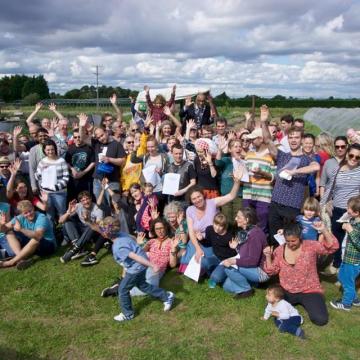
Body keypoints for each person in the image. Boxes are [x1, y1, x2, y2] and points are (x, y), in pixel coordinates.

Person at [260, 105, 320, 243]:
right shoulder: (282, 155)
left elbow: (316, 166)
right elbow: (268, 140)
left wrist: (295, 171)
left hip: (292, 206)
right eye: (291, 137)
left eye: (296, 137)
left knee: (290, 239)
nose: (293, 140)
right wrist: (263, 122)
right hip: (275, 203)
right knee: (275, 238)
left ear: (301, 139)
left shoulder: (306, 159)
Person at [97, 217, 175, 322]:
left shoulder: (118, 246)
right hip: (141, 267)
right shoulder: (121, 234)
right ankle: (167, 296)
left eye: (102, 231)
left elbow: (135, 257)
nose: (101, 233)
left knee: (123, 290)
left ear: (105, 234)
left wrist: (152, 265)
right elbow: (133, 238)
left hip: (135, 269)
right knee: (143, 286)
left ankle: (128, 314)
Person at [263, 222, 339, 326]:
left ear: (300, 237)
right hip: (286, 289)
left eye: (293, 241)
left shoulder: (311, 246)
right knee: (272, 306)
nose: (290, 244)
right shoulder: (279, 250)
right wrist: (268, 256)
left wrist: (324, 230)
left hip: (309, 289)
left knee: (320, 320)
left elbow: (332, 247)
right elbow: (272, 271)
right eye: (287, 241)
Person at [184, 166, 244, 271]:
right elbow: (191, 232)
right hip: (196, 240)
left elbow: (231, 196)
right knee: (187, 261)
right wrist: (197, 248)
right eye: (194, 199)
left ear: (203, 195)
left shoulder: (212, 203)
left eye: (199, 196)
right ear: (191, 201)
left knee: (203, 263)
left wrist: (237, 182)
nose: (197, 200)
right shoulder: (190, 210)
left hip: (212, 242)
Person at [321, 143, 360, 269]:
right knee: (337, 240)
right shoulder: (337, 170)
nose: (354, 158)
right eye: (352, 155)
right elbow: (330, 189)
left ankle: (350, 269)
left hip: (354, 212)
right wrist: (323, 204)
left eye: (357, 157)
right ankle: (337, 266)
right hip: (337, 210)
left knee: (351, 242)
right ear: (347, 154)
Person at [220, 207, 269, 298]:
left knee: (228, 267)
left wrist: (233, 261)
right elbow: (244, 253)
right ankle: (253, 284)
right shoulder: (246, 231)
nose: (235, 219)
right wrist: (236, 247)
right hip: (252, 268)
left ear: (246, 220)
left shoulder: (255, 235)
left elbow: (252, 261)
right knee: (226, 286)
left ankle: (246, 290)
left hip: (261, 271)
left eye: (238, 217)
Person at [79, 113, 126, 206]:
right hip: (98, 180)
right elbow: (83, 138)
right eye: (98, 137)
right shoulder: (97, 143)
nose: (101, 138)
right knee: (100, 205)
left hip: (112, 181)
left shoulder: (117, 145)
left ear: (106, 132)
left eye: (102, 135)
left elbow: (122, 161)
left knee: (115, 206)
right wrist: (81, 126)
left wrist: (110, 159)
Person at [0, 200, 56, 270]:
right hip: (33, 244)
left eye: (30, 211)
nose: (29, 214)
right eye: (25, 213)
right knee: (9, 232)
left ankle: (10, 262)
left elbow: (38, 235)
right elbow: (3, 230)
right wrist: (2, 224)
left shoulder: (41, 217)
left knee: (35, 239)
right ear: (21, 214)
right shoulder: (20, 218)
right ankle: (21, 259)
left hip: (48, 245)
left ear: (33, 208)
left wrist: (21, 229)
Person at [330, 195, 360, 311]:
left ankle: (346, 304)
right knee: (344, 276)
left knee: (347, 281)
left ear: (357, 212)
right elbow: (347, 219)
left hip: (353, 261)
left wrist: (350, 230)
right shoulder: (354, 220)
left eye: (349, 209)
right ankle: (355, 299)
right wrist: (346, 223)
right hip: (347, 257)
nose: (347, 210)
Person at [243, 127, 276, 233]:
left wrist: (262, 173)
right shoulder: (248, 155)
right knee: (246, 223)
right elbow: (245, 173)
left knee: (262, 226)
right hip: (248, 193)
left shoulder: (271, 156)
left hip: (264, 196)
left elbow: (274, 177)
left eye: (253, 139)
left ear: (261, 139)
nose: (250, 141)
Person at [59, 191, 104, 264]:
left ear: (91, 199)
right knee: (67, 221)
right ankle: (80, 249)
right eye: (83, 200)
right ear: (80, 202)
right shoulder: (78, 206)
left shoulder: (97, 210)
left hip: (93, 232)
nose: (86, 202)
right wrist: (68, 212)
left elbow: (98, 228)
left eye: (87, 199)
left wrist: (88, 220)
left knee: (91, 227)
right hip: (83, 229)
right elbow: (60, 221)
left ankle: (74, 250)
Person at [35, 139, 69, 222]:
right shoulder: (42, 162)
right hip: (46, 194)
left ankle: (64, 233)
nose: (50, 151)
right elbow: (37, 176)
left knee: (62, 213)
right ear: (44, 151)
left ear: (55, 149)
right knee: (49, 215)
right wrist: (41, 171)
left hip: (59, 193)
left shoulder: (61, 161)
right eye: (48, 150)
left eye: (52, 149)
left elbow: (66, 178)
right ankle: (51, 233)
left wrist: (55, 187)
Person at [65, 128, 95, 201]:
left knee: (86, 199)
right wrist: (72, 169)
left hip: (86, 179)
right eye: (75, 137)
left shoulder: (89, 148)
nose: (77, 139)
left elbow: (93, 162)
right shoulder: (70, 148)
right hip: (73, 179)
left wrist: (83, 172)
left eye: (79, 137)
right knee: (73, 199)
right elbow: (66, 162)